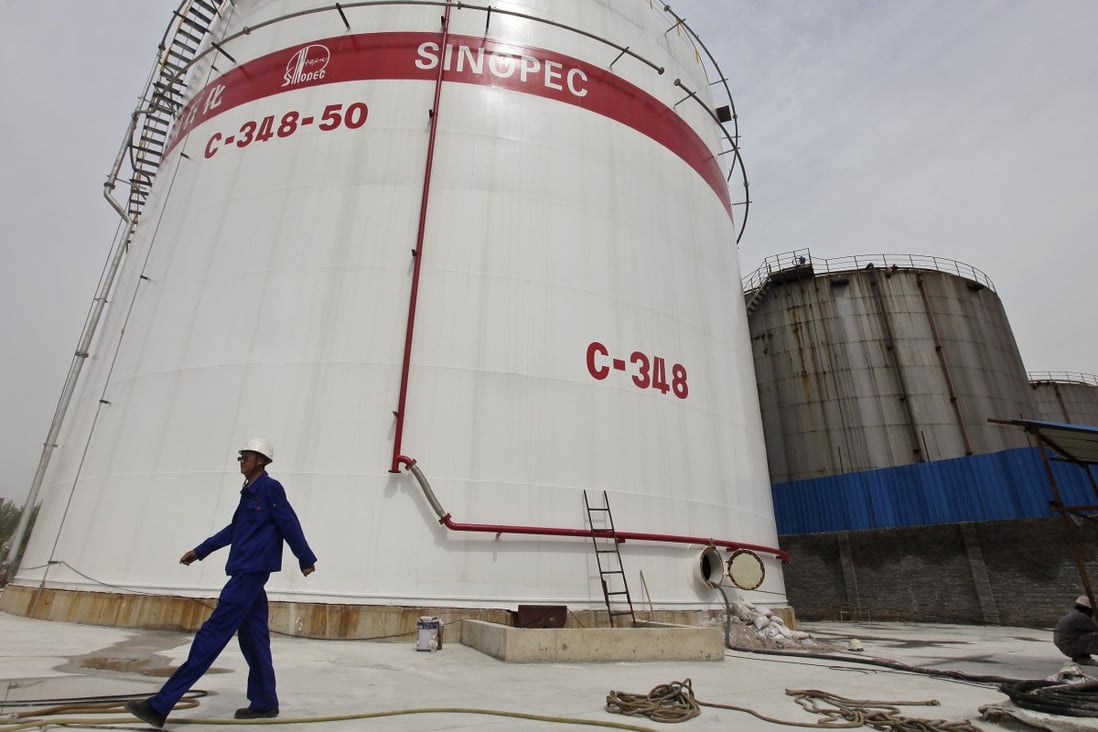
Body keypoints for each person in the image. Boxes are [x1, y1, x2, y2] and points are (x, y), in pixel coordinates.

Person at [126, 438, 317, 728]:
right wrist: (200, 551)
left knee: (210, 637)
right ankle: (265, 702)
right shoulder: (249, 493)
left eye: (246, 456)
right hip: (245, 573)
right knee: (254, 641)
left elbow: (288, 521)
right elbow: (234, 529)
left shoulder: (269, 488)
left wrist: (305, 558)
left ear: (261, 461)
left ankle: (160, 706)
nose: (241, 460)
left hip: (249, 574)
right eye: (240, 456)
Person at [1053, 594, 1098, 666]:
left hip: (1064, 645)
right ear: (1088, 610)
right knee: (1095, 636)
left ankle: (1079, 656)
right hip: (1069, 647)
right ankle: (1083, 658)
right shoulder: (1082, 617)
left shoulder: (1073, 613)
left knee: (1086, 635)